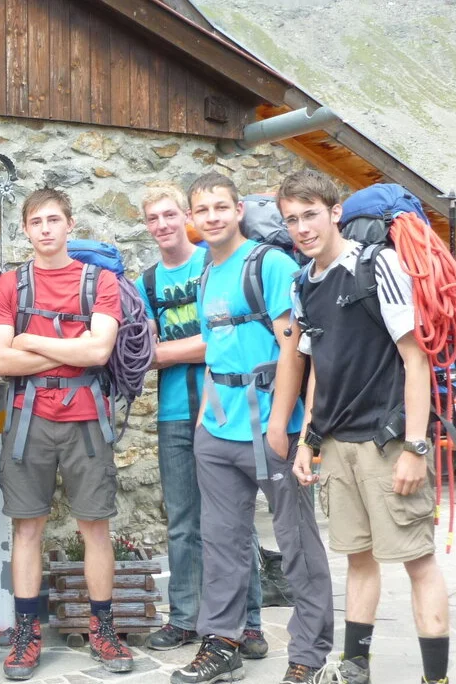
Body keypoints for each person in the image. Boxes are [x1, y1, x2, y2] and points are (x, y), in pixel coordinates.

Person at [281, 169, 449, 684]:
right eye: (292, 219)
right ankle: (356, 667)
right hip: (336, 444)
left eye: (311, 214)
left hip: (387, 442)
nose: (303, 227)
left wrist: (416, 447)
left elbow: (415, 360)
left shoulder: (378, 266)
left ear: (335, 213)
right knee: (358, 559)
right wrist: (308, 441)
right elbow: (317, 371)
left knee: (417, 561)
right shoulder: (302, 283)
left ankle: (435, 678)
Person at [172, 173, 333, 684]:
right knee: (221, 542)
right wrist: (203, 424)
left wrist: (282, 428)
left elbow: (294, 346)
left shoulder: (270, 263)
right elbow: (215, 349)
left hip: (271, 431)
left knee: (297, 545)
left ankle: (307, 656)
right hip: (218, 433)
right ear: (193, 219)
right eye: (203, 210)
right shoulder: (204, 272)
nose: (213, 216)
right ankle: (222, 644)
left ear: (238, 208)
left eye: (221, 206)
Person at [0, 188, 133, 680]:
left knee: (95, 526)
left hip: (86, 421)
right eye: (36, 221)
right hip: (28, 418)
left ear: (70, 225)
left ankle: (103, 629)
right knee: (26, 526)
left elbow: (99, 354)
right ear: (26, 229)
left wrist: (31, 339)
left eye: (54, 220)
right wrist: (68, 346)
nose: (46, 229)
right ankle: (27, 635)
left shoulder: (101, 281)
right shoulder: (10, 285)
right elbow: (0, 361)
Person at [134, 183, 268, 659]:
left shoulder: (213, 265)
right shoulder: (146, 283)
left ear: (184, 217)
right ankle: (185, 619)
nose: (163, 225)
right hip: (174, 411)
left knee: (234, 521)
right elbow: (139, 353)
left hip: (224, 409)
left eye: (170, 215)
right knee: (183, 522)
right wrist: (167, 353)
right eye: (153, 218)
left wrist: (168, 352)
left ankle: (249, 622)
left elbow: (220, 341)